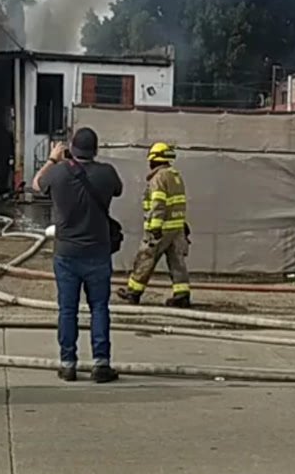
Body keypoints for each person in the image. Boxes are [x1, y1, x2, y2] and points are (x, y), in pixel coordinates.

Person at [31, 126, 123, 382]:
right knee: (99, 308)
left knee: (67, 310)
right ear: (96, 149)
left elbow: (36, 184)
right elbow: (118, 190)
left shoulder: (58, 172)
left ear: (71, 147)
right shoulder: (107, 173)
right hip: (98, 251)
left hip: (66, 253)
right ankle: (101, 364)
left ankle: (68, 364)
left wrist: (53, 159)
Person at [114, 141, 193, 307]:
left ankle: (133, 292)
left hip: (161, 229)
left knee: (146, 257)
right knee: (176, 261)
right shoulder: (175, 176)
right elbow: (178, 203)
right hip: (176, 228)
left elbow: (159, 203)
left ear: (155, 160)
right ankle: (182, 294)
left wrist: (155, 227)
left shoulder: (159, 178)